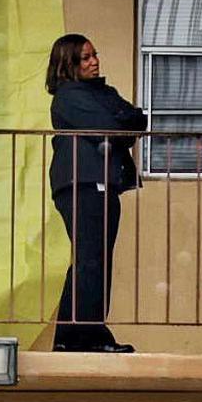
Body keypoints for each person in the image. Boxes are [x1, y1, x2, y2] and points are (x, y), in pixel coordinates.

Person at [46, 33, 147, 353]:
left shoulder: (100, 91)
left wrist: (124, 120)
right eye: (85, 58)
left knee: (93, 261)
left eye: (94, 55)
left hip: (99, 183)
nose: (94, 62)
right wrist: (122, 120)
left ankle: (71, 336)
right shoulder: (70, 95)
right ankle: (85, 335)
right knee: (91, 261)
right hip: (84, 183)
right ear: (68, 65)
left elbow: (136, 121)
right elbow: (115, 127)